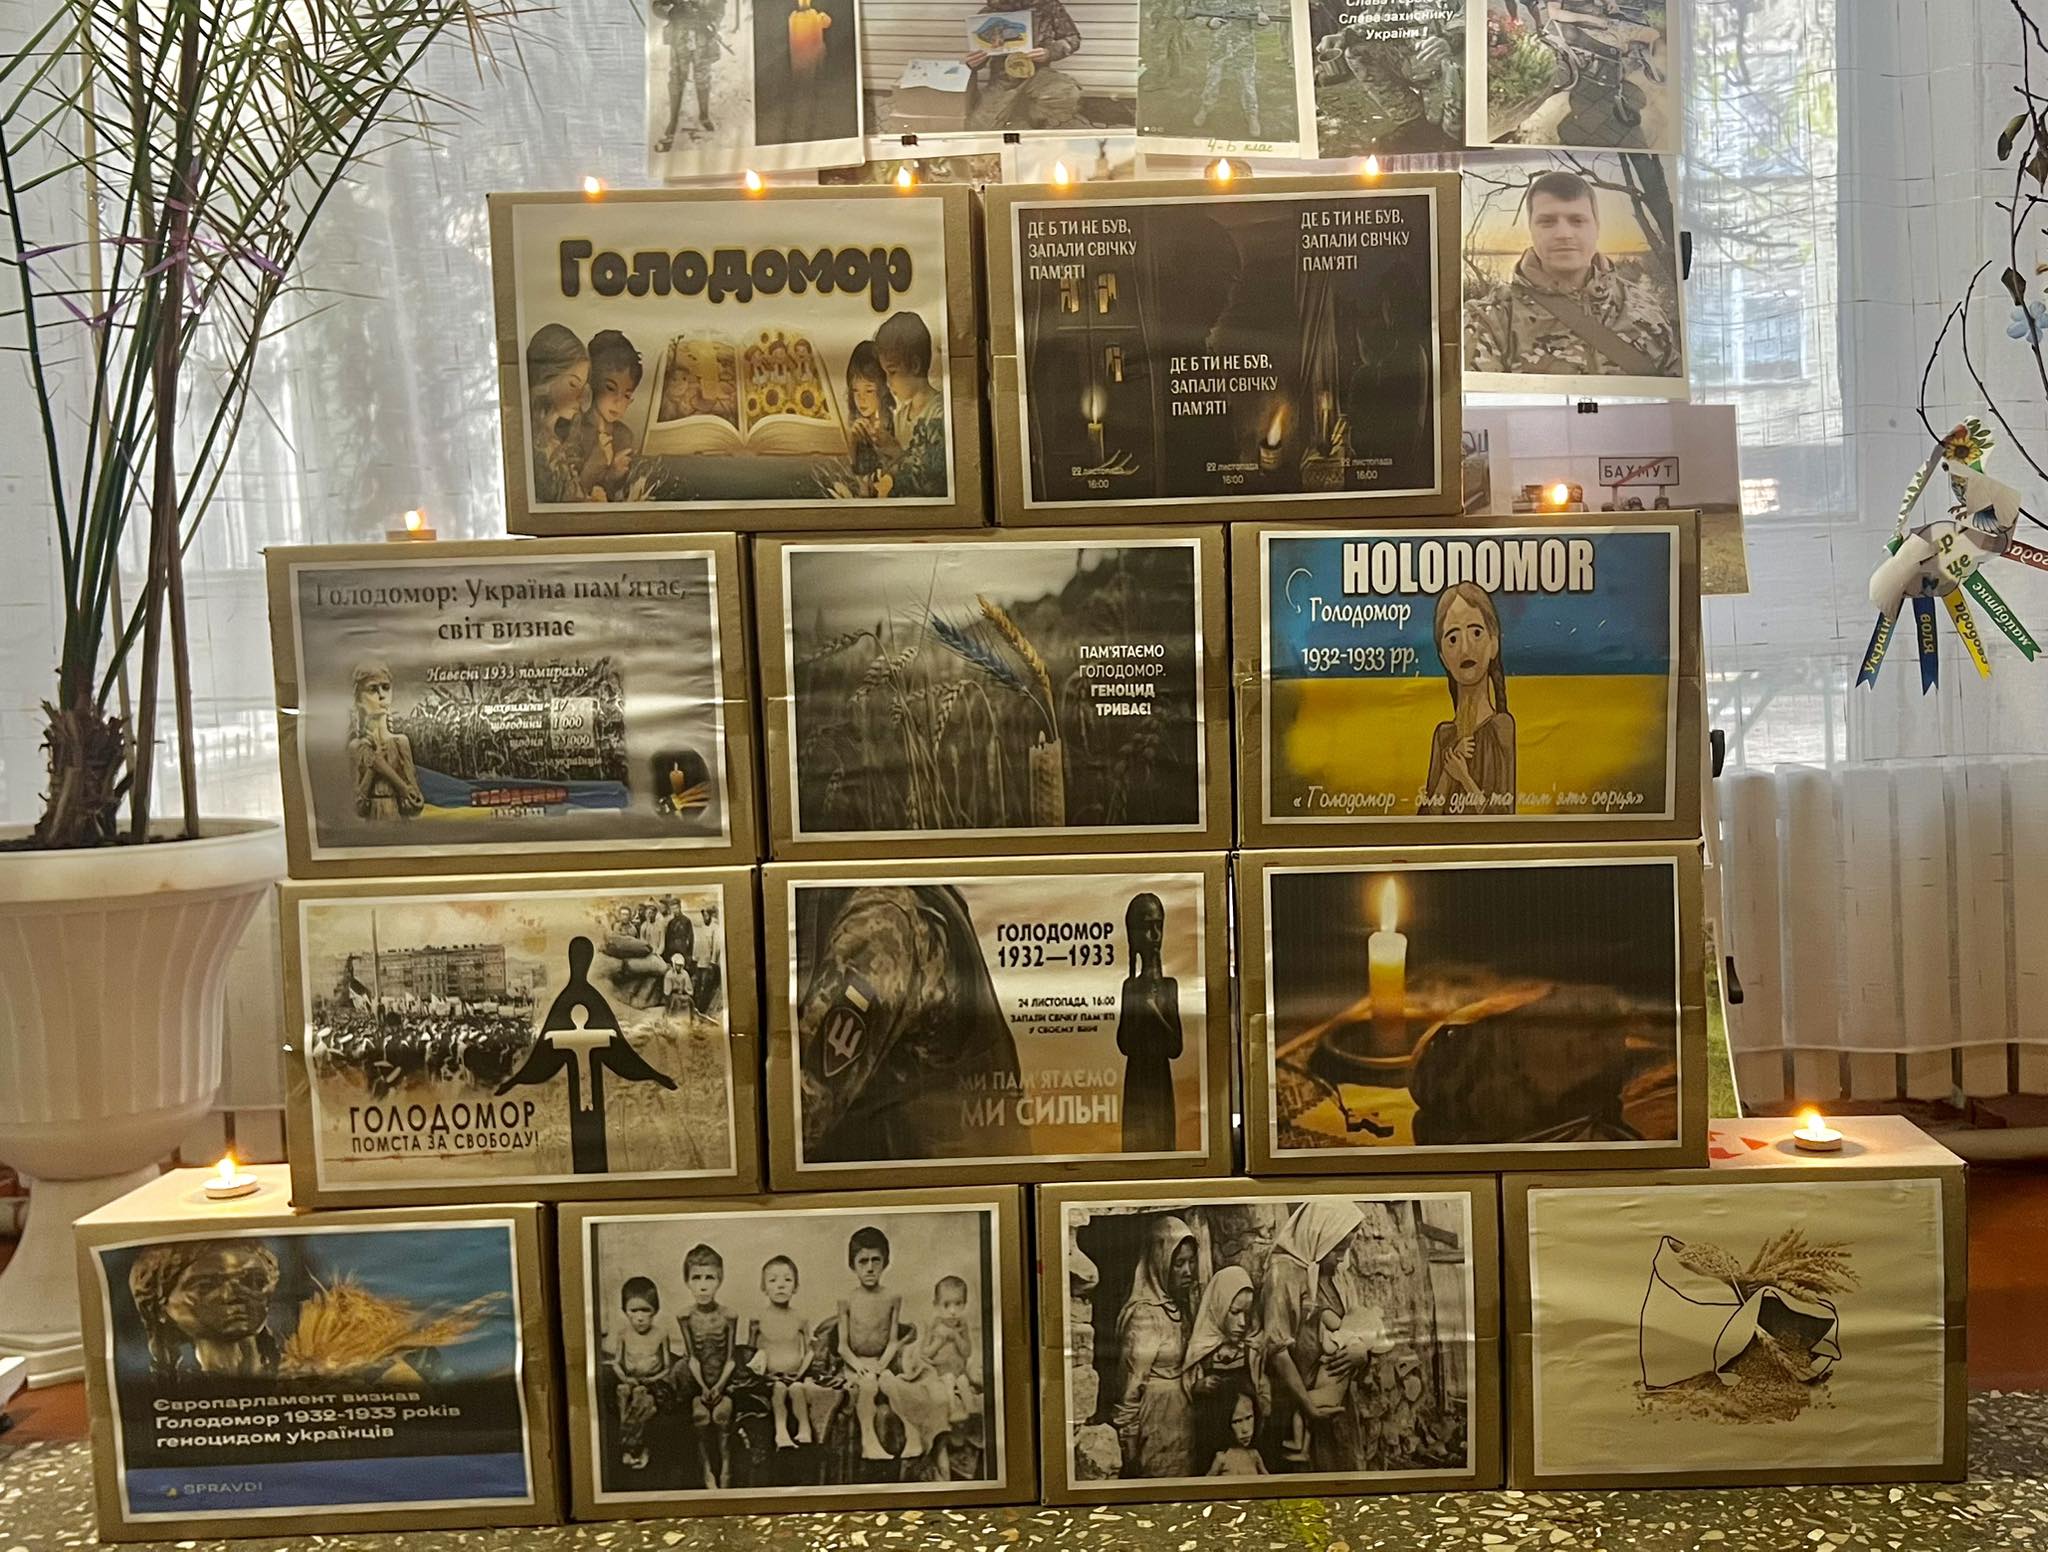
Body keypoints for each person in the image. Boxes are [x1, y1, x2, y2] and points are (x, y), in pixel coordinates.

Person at [1463, 168, 1680, 379]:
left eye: (1577, 220)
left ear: (1596, 227)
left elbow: (1675, 392)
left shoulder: (1646, 307)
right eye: (1547, 222)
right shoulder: (1490, 319)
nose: (1564, 234)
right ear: (1531, 228)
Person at [1257, 1201, 1364, 1471]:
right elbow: (1276, 1349)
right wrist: (1309, 1407)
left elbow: (1355, 1324)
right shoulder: (1284, 1273)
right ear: (1319, 1236)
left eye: (1346, 1249)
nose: (1342, 1258)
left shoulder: (1335, 1274)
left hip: (1333, 1397)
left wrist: (1361, 1354)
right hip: (1297, 1402)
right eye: (1338, 1249)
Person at [1112, 1215, 1200, 1478]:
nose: (1188, 1271)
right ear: (1160, 1263)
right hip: (1155, 1421)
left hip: (1183, 1420)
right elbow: (1131, 1385)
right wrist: (1128, 1443)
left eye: (1191, 1262)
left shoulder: (1181, 1307)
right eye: (1179, 1264)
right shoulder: (1144, 1315)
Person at [1423, 581, 1516, 816]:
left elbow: (1502, 817)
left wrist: (1464, 777)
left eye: (1476, 633)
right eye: (1453, 639)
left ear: (1493, 644)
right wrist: (1449, 771)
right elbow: (1426, 819)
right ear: (1443, 657)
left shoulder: (1501, 727)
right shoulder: (1444, 736)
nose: (1465, 649)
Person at [884, 1273, 981, 1461]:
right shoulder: (934, 1326)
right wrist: (940, 1341)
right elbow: (926, 1353)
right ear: (936, 1305)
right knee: (948, 1380)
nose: (952, 1311)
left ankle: (970, 1412)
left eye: (958, 1304)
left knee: (962, 1381)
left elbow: (966, 1352)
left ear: (965, 1304)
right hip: (939, 1374)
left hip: (958, 1371)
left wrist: (957, 1337)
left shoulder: (962, 1325)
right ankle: (953, 1410)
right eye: (946, 1305)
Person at [1115, 892, 1183, 1154]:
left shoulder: (1169, 986)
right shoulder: (1130, 987)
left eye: (1159, 926)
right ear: (1133, 934)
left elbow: (1175, 1047)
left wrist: (1153, 1012)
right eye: (1147, 927)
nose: (1155, 936)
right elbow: (1124, 1044)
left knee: (1162, 1142)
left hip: (1160, 1080)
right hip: (1137, 1079)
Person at [838, 1225, 906, 1461]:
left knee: (891, 1382)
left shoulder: (892, 1298)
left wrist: (882, 1365)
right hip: (855, 1365)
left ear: (885, 1262)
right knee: (868, 1384)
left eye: (876, 1260)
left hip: (881, 1362)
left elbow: (893, 1341)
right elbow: (842, 1346)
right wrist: (859, 1366)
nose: (869, 1267)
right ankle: (869, 1442)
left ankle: (913, 1438)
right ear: (852, 1265)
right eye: (863, 1261)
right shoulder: (847, 1299)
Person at [965, 0, 1087, 131]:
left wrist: (1050, 52)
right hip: (1003, 80)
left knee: (1067, 93)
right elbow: (980, 53)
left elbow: (1072, 38)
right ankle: (1019, 122)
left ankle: (1037, 120)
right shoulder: (988, 14)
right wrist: (974, 63)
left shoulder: (1048, 6)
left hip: (1038, 74)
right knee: (980, 127)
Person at [1178, 1261, 1256, 1465]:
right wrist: (1197, 1386)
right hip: (1209, 1437)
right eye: (1235, 1312)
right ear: (1218, 1307)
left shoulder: (1250, 1350)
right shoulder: (1201, 1349)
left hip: (1243, 1436)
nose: (1242, 1322)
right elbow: (1184, 1391)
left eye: (1247, 1314)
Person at [679, 1243, 739, 1488]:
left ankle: (726, 1470)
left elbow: (731, 1359)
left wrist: (719, 1386)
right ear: (687, 1281)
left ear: (720, 1280)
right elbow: (692, 1357)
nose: (703, 1286)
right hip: (699, 1386)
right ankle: (706, 1471)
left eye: (710, 1278)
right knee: (701, 1417)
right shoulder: (685, 1316)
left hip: (724, 1384)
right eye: (696, 1278)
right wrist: (704, 1387)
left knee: (722, 1417)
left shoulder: (729, 1316)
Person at [873, 312, 947, 499]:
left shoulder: (939, 412)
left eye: (892, 372)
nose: (888, 382)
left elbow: (933, 478)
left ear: (914, 365)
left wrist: (896, 453)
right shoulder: (900, 417)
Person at [748, 1255, 819, 1450]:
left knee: (796, 1389)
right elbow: (751, 1353)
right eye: (773, 1280)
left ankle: (804, 1429)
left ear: (795, 1286)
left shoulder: (800, 1318)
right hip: (771, 1378)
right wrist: (763, 1374)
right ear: (763, 1287)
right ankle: (781, 1432)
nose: (780, 1285)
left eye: (787, 1280)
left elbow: (810, 1352)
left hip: (795, 1375)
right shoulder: (758, 1319)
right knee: (779, 1389)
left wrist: (799, 1374)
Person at [604, 1275, 675, 1471]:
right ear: (624, 1311)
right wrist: (625, 1377)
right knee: (623, 1390)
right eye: (634, 1311)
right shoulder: (623, 1335)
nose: (640, 1317)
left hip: (653, 1384)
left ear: (655, 1311)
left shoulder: (661, 1335)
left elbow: (667, 1367)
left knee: (641, 1395)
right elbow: (616, 1363)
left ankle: (632, 1444)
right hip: (629, 1381)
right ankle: (631, 1442)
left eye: (646, 1310)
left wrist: (652, 1379)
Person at [347, 660, 423, 822]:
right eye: (373, 689)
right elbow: (358, 808)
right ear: (359, 698)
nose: (382, 695)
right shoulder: (357, 747)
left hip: (399, 824)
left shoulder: (400, 742)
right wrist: (372, 769)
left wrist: (400, 787)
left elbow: (415, 804)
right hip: (373, 827)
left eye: (386, 688)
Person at [525, 323, 590, 504]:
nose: (580, 397)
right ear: (547, 376)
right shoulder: (534, 446)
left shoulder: (559, 438)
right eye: (573, 384)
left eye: (583, 387)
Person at [579, 329, 643, 503]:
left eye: (627, 395)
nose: (618, 401)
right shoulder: (576, 431)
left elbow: (615, 495)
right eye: (610, 388)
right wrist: (595, 465)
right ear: (593, 383)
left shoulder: (624, 436)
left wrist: (614, 475)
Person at [652, 0, 721, 152]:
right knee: (676, 79)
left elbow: (719, 6)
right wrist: (671, 12)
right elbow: (657, 7)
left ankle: (704, 116)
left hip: (702, 37)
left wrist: (712, 20)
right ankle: (673, 121)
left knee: (703, 77)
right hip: (679, 37)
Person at [1192, 4, 1269, 138]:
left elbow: (1257, 24)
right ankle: (1205, 108)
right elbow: (1197, 15)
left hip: (1243, 49)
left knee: (1247, 84)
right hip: (1218, 48)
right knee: (1212, 81)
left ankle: (1251, 114)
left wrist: (1261, 22)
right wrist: (1209, 22)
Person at [845, 340, 898, 485]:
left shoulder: (894, 421)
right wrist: (853, 442)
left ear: (883, 389)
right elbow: (855, 469)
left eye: (869, 390)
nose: (861, 398)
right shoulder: (856, 423)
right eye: (855, 390)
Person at [1207, 1391, 1268, 1476]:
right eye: (1237, 1421)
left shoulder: (1254, 1456)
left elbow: (1268, 1480)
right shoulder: (1222, 1459)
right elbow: (1206, 1482)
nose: (1245, 1429)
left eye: (1249, 1418)